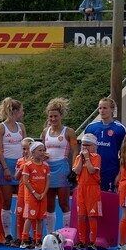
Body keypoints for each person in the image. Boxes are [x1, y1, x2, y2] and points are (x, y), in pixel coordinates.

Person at [41, 98, 77, 232]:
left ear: (61, 116)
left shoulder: (69, 132)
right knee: (49, 205)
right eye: (50, 116)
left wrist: (74, 169)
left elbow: (75, 151)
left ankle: (67, 233)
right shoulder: (45, 132)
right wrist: (43, 156)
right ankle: (50, 234)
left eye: (55, 116)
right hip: (48, 169)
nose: (53, 119)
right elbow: (42, 150)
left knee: (63, 203)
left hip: (62, 168)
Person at [0, 97, 26, 242]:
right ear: (14, 111)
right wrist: (5, 168)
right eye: (21, 110)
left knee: (23, 200)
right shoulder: (1, 127)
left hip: (20, 164)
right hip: (6, 163)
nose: (23, 113)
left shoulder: (21, 127)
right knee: (6, 201)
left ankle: (21, 233)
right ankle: (7, 233)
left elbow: (25, 146)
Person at [83, 97, 126, 192]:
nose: (102, 111)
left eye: (105, 108)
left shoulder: (120, 129)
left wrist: (120, 174)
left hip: (111, 170)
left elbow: (125, 153)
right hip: (93, 170)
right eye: (100, 108)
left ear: (112, 109)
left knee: (109, 202)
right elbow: (83, 150)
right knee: (92, 201)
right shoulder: (91, 127)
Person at [73, 133, 103, 250]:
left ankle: (92, 242)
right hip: (81, 188)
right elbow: (76, 171)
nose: (84, 148)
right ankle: (82, 241)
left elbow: (91, 170)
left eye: (87, 145)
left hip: (93, 189)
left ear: (94, 146)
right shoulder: (78, 157)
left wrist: (87, 158)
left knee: (92, 216)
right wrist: (81, 158)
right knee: (81, 216)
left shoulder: (96, 157)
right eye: (83, 145)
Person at [20, 142, 49, 250]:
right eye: (40, 150)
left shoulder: (46, 166)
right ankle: (24, 240)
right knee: (29, 218)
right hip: (31, 197)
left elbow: (47, 181)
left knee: (40, 219)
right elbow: (25, 181)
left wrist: (43, 194)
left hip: (42, 196)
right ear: (33, 152)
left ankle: (38, 241)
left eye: (43, 150)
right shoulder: (28, 165)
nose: (42, 153)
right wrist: (34, 193)